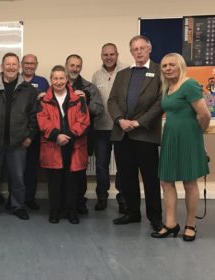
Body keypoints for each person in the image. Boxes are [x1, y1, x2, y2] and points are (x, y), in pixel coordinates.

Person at [152, 53, 210, 241]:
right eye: (164, 65)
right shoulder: (168, 87)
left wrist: (197, 134)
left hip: (189, 139)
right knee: (166, 181)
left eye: (172, 65)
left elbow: (204, 114)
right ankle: (170, 224)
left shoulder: (190, 84)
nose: (168, 68)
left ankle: (190, 224)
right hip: (170, 138)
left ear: (180, 66)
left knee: (189, 182)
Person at [108, 35, 163, 231]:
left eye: (142, 48)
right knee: (127, 177)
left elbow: (160, 103)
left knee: (150, 178)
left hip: (145, 134)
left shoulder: (159, 71)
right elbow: (112, 100)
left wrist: (139, 122)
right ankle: (132, 213)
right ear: (131, 52)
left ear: (149, 49)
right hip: (122, 134)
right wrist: (120, 120)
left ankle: (155, 217)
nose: (138, 52)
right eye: (135, 49)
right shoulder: (122, 74)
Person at [0, 53, 38, 221]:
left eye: (14, 64)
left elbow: (34, 117)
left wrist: (29, 137)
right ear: (1, 67)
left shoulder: (28, 90)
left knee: (18, 177)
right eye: (7, 64)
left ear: (18, 67)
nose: (11, 67)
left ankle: (18, 206)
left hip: (18, 143)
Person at [38, 65, 90, 224]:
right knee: (54, 182)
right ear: (51, 80)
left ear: (67, 79)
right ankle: (55, 212)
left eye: (61, 78)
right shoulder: (43, 100)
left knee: (72, 182)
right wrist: (57, 136)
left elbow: (83, 120)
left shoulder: (78, 98)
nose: (58, 81)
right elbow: (42, 121)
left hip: (74, 145)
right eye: (55, 78)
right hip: (53, 145)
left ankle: (71, 212)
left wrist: (68, 135)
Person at [65, 54, 103, 215]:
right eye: (72, 65)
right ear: (66, 65)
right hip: (61, 136)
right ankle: (64, 201)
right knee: (62, 170)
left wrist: (85, 102)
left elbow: (98, 110)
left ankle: (80, 201)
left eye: (78, 66)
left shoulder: (89, 87)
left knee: (80, 171)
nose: (74, 69)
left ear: (81, 67)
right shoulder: (57, 83)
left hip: (82, 136)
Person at [91, 43, 127, 212]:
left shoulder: (127, 72)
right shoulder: (96, 75)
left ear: (117, 54)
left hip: (120, 127)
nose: (109, 57)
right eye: (105, 54)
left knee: (122, 164)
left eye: (112, 54)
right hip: (101, 127)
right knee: (101, 165)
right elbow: (94, 101)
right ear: (101, 56)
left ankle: (123, 198)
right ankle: (102, 197)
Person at [21, 54, 49, 210]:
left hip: (35, 131)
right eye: (27, 63)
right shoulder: (15, 81)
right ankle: (16, 198)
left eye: (32, 63)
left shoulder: (43, 82)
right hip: (17, 132)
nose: (29, 66)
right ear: (21, 64)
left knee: (31, 168)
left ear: (36, 65)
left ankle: (29, 198)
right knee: (16, 168)